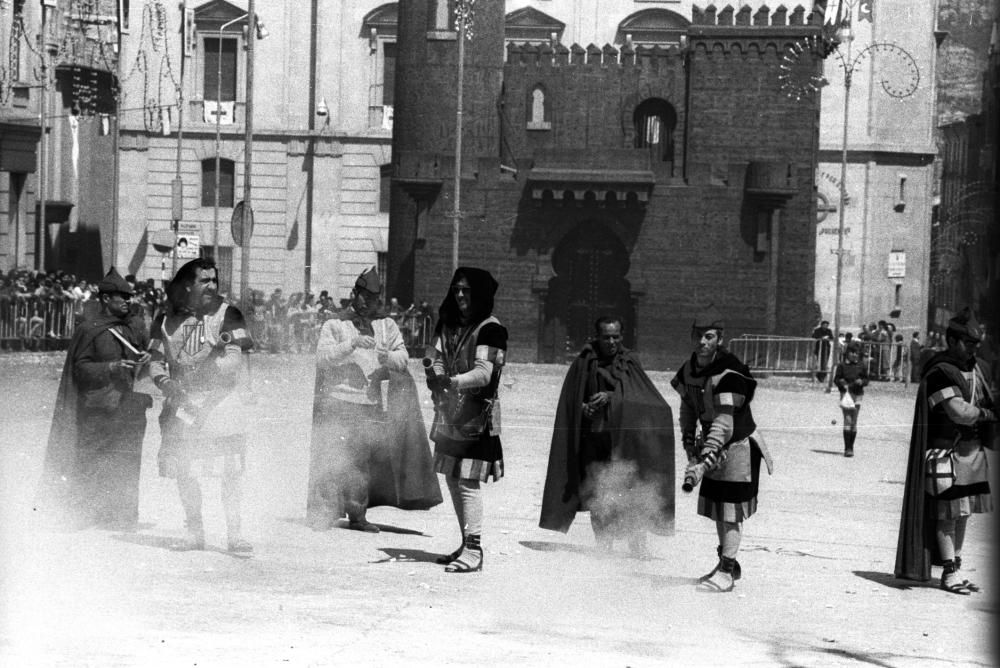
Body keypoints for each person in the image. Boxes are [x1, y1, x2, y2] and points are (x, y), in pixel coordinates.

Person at [306, 267, 441, 532]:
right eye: (364, 296)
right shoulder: (334, 323)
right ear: (354, 294)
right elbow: (322, 358)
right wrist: (352, 344)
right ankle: (324, 513)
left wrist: (385, 357)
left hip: (370, 403)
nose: (369, 303)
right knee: (331, 457)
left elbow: (403, 358)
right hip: (338, 401)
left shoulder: (386, 325)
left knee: (361, 463)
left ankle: (358, 515)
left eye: (374, 298)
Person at [539, 316, 675, 557]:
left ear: (621, 337)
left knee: (631, 488)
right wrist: (584, 408)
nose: (611, 342)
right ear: (597, 337)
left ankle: (637, 544)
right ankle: (603, 544)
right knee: (598, 489)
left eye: (616, 337)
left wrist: (612, 397)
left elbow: (646, 401)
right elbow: (572, 400)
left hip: (624, 441)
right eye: (606, 337)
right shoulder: (584, 363)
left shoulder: (630, 362)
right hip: (595, 437)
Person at [148, 258, 254, 552]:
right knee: (186, 469)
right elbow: (156, 360)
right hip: (183, 405)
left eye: (214, 280)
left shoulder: (227, 314)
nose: (211, 285)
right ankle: (195, 532)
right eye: (203, 280)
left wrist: (210, 370)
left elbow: (234, 358)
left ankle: (234, 535)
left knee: (228, 471)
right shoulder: (165, 319)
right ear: (187, 285)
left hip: (221, 405)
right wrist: (166, 384)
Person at [35, 268, 152, 530]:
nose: (127, 301)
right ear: (105, 299)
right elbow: (80, 368)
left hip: (130, 406)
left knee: (127, 461)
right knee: (90, 460)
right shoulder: (91, 329)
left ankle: (121, 517)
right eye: (121, 297)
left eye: (129, 297)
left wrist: (148, 358)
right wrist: (111, 368)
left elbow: (151, 356)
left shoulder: (135, 327)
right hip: (100, 406)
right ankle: (82, 515)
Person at [670, 305, 773, 593]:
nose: (703, 342)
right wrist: (690, 445)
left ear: (719, 339)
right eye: (699, 336)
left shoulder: (730, 372)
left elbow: (725, 423)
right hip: (712, 449)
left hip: (738, 447)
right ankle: (727, 563)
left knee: (730, 513)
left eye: (709, 337)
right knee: (718, 511)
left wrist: (707, 456)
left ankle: (727, 573)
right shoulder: (690, 368)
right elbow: (688, 408)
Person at [894, 307, 997, 593]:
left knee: (963, 513)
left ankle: (956, 570)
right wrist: (987, 414)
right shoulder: (941, 371)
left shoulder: (978, 369)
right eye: (968, 343)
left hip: (972, 453)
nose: (973, 349)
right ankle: (949, 574)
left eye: (976, 344)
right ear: (952, 341)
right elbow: (959, 412)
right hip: (945, 454)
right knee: (947, 514)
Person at [425, 267, 507, 573]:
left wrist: (453, 381)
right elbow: (432, 356)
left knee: (468, 480)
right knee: (451, 476)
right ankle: (465, 541)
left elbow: (485, 373)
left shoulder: (490, 328)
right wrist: (435, 376)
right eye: (456, 289)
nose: (460, 295)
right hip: (448, 410)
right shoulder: (447, 323)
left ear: (481, 294)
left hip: (475, 414)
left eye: (467, 291)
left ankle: (474, 549)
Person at [833, 341, 869, 457]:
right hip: (846, 394)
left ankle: (851, 447)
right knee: (847, 420)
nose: (854, 355)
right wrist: (841, 383)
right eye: (852, 352)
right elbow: (836, 379)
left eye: (856, 353)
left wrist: (862, 382)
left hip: (858, 394)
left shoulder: (861, 365)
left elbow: (867, 380)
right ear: (847, 353)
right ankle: (847, 448)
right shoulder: (842, 366)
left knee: (854, 421)